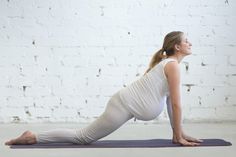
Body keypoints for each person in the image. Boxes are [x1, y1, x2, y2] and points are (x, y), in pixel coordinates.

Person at [5, 31, 203, 146]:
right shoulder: (172, 65)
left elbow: (170, 103)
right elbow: (177, 104)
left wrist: (179, 134)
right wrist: (178, 135)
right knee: (82, 137)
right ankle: (32, 137)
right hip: (123, 104)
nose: (190, 43)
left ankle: (33, 136)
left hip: (126, 103)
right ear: (176, 47)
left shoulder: (170, 65)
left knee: (82, 137)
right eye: (186, 41)